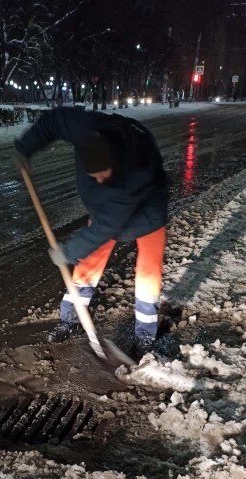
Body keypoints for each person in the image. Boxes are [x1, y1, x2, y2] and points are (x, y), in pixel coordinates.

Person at [14, 107, 167, 353]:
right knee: (88, 261)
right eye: (91, 175)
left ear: (115, 165)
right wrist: (25, 148)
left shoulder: (136, 170)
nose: (97, 179)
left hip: (149, 210)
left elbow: (107, 226)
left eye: (102, 174)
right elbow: (54, 120)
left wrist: (68, 251)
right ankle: (71, 318)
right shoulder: (84, 128)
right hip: (107, 208)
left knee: (148, 271)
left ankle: (145, 335)